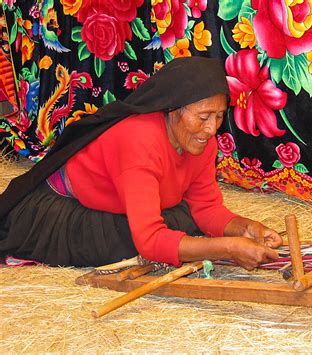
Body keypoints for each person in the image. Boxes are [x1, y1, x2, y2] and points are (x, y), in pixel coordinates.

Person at [0, 57, 282, 270]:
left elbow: (206, 207)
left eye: (219, 116)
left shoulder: (202, 141)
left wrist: (248, 229)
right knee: (136, 241)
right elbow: (148, 241)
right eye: (204, 116)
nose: (212, 130)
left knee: (185, 223)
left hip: (115, 205)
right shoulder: (139, 140)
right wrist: (229, 248)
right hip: (61, 212)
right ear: (173, 110)